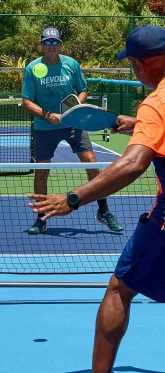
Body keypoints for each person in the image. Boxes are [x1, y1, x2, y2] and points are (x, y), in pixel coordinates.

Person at [29, 23, 165, 373]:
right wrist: (133, 123)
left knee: (119, 290)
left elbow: (132, 164)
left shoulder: (157, 104)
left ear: (140, 65)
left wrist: (73, 198)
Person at [22, 26, 122, 234]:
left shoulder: (71, 65)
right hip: (44, 127)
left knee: (93, 165)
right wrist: (48, 115)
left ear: (60, 44)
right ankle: (41, 218)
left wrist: (75, 109)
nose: (51, 46)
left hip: (75, 126)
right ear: (41, 44)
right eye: (47, 42)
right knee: (41, 173)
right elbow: (26, 101)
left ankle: (103, 210)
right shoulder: (32, 69)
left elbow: (83, 90)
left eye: (55, 42)